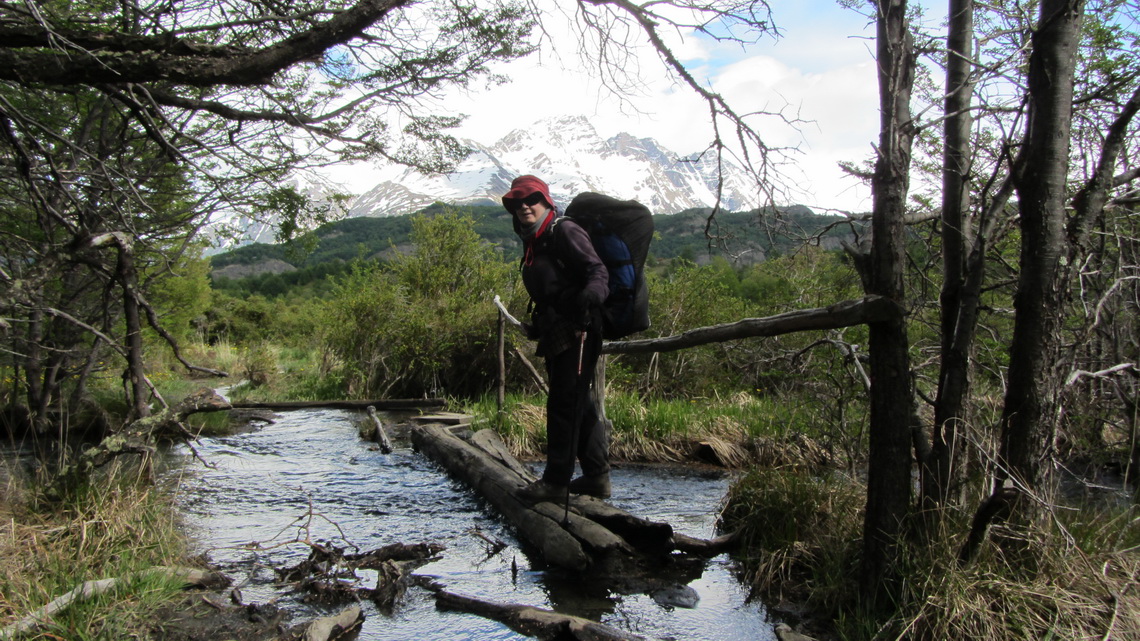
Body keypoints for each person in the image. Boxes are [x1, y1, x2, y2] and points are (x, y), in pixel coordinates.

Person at [503, 174, 613, 501]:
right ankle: (596, 477)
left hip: (580, 328)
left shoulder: (563, 230)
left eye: (531, 199)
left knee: (563, 405)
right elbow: (551, 290)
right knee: (581, 404)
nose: (524, 207)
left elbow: (598, 271)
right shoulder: (534, 239)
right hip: (558, 328)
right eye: (517, 202)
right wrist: (539, 324)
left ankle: (555, 482)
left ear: (546, 201)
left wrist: (591, 297)